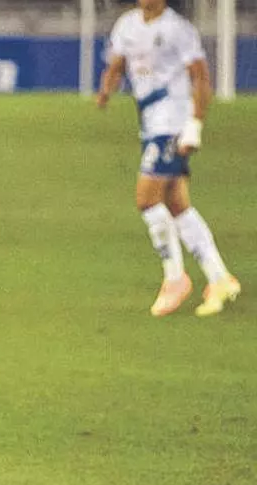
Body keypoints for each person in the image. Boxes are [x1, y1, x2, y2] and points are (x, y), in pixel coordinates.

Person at [97, 0, 239, 317]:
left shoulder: (178, 29)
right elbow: (117, 63)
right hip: (150, 122)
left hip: (172, 123)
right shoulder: (127, 24)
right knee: (177, 204)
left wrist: (194, 125)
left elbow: (200, 78)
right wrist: (107, 87)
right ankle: (219, 277)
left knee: (147, 199)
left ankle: (175, 278)